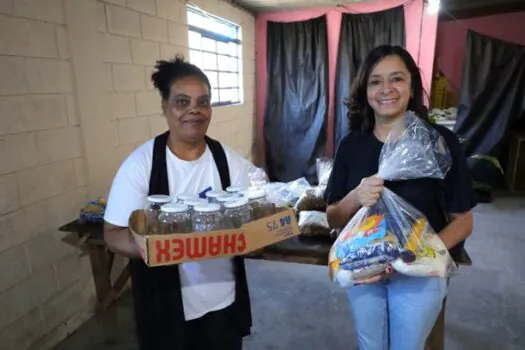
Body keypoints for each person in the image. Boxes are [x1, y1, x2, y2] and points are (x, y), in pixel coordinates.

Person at [324, 45, 477, 350]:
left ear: (412, 87)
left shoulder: (439, 143)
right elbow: (333, 216)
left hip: (419, 272)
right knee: (371, 346)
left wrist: (413, 257)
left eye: (397, 79)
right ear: (365, 90)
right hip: (363, 269)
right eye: (375, 81)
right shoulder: (350, 145)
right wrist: (357, 195)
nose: (386, 89)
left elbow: (463, 222)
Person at [103, 56, 252, 350]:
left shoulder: (228, 162)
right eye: (182, 102)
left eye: (203, 102)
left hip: (222, 300)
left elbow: (252, 218)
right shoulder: (142, 165)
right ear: (165, 107)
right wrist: (151, 249)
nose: (194, 110)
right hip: (164, 306)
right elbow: (112, 233)